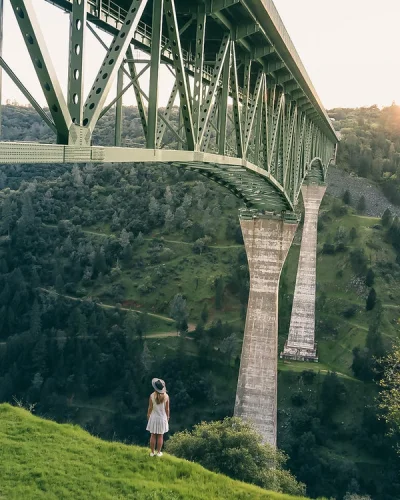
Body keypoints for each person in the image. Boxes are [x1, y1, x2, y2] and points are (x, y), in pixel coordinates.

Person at [146, 378, 170, 457]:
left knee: (153, 435)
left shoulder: (152, 396)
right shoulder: (166, 396)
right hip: (162, 418)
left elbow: (150, 407)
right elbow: (167, 409)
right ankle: (159, 452)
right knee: (160, 436)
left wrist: (148, 415)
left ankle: (152, 452)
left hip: (154, 417)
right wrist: (168, 417)